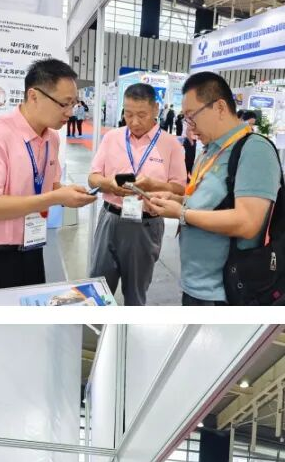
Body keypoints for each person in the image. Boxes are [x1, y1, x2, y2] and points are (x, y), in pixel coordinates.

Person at [144, 72, 280, 306]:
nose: (190, 126)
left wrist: (182, 214)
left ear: (219, 107)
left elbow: (247, 223)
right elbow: (206, 203)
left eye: (192, 116)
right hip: (195, 285)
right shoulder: (210, 151)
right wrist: (174, 199)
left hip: (224, 293)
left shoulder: (254, 150)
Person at [0, 59, 96, 292]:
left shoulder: (52, 138)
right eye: (64, 104)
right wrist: (55, 197)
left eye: (73, 104)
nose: (70, 113)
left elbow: (51, 185)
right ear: (34, 96)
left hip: (33, 246)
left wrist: (70, 193)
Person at [87, 83, 187, 306]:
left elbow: (180, 189)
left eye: (141, 115)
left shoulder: (171, 144)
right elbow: (93, 178)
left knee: (135, 292)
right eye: (128, 114)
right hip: (110, 219)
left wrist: (152, 185)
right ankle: (97, 329)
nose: (134, 122)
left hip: (146, 225)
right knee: (97, 289)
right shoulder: (112, 138)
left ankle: (130, 328)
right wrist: (109, 184)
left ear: (155, 109)